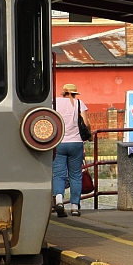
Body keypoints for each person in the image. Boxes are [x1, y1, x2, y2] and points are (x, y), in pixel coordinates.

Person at [53, 83, 88, 217]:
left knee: (59, 175)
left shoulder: (55, 103)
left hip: (59, 142)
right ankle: (74, 207)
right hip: (76, 143)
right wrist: (88, 135)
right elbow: (86, 123)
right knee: (75, 176)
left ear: (63, 93)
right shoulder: (79, 103)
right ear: (74, 93)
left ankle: (59, 201)